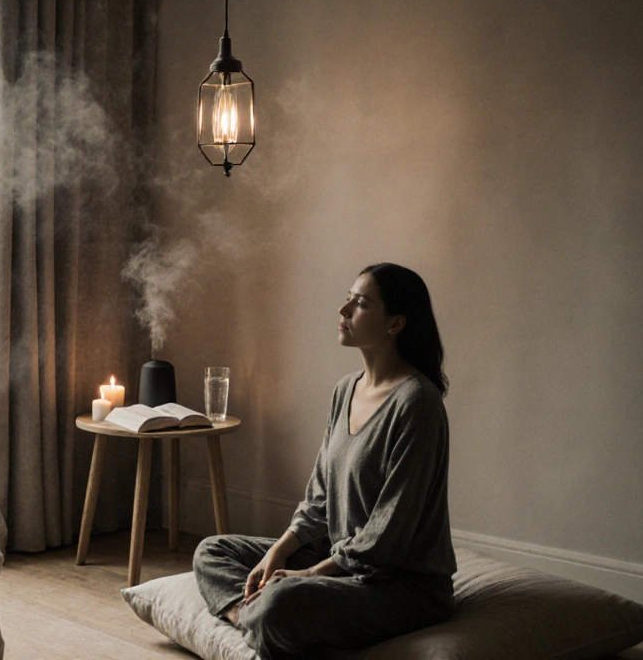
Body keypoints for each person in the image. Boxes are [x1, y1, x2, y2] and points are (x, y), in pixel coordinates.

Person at [193, 262, 457, 659]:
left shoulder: (417, 403)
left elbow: (389, 534)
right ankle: (248, 616)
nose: (344, 310)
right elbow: (319, 497)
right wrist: (278, 552)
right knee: (211, 552)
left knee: (283, 602)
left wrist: (309, 575)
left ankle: (261, 617)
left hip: (400, 585)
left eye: (361, 303)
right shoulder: (344, 390)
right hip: (341, 561)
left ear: (395, 323)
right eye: (347, 299)